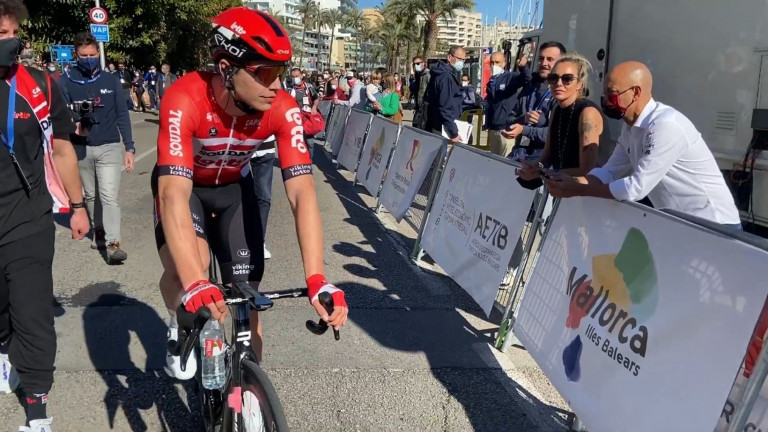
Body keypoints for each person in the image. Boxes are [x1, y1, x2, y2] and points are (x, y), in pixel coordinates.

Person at [154, 7, 349, 379]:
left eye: (281, 73)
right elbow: (173, 195)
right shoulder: (185, 97)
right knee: (186, 269)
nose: (277, 86)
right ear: (227, 68)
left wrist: (316, 277)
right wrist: (195, 281)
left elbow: (302, 194)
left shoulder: (283, 108)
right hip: (187, 188)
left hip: (233, 191)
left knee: (248, 301)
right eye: (265, 73)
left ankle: (247, 391)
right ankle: (177, 322)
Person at [0, 2, 90, 430]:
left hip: (28, 217)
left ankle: (37, 407)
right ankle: (4, 352)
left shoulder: (41, 85)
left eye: (11, 35)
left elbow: (62, 149)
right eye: (0, 35)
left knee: (32, 309)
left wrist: (77, 206)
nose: (9, 43)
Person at [544, 61, 742, 229]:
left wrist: (578, 189)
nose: (605, 102)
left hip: (714, 224)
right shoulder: (630, 127)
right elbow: (610, 172)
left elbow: (636, 188)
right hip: (680, 223)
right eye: (604, 95)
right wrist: (568, 180)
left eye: (611, 94)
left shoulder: (665, 125)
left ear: (635, 93)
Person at [58, 32, 135, 263]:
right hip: (81, 147)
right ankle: (98, 231)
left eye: (93, 54)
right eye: (84, 55)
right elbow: (60, 116)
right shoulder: (66, 81)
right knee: (90, 194)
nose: (89, 59)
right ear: (76, 55)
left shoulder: (110, 80)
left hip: (110, 145)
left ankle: (113, 243)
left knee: (109, 195)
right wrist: (74, 125)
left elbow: (122, 114)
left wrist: (129, 147)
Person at [517, 54, 602, 181]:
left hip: (587, 190)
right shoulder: (557, 109)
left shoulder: (587, 113)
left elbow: (586, 170)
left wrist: (545, 172)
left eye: (567, 79)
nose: (558, 83)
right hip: (562, 186)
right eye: (553, 78)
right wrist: (535, 167)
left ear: (579, 83)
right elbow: (547, 155)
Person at [505, 41, 566, 161]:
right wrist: (522, 119)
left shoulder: (562, 94)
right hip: (518, 155)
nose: (544, 63)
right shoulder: (528, 88)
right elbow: (508, 120)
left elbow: (558, 134)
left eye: (550, 59)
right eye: (541, 59)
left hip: (544, 161)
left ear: (561, 63)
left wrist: (525, 129)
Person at [483, 51, 531, 156]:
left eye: (497, 62)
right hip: (493, 128)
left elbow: (526, 78)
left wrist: (523, 67)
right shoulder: (491, 81)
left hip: (506, 128)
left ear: (504, 64)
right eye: (491, 62)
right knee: (493, 161)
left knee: (506, 160)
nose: (494, 65)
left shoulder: (510, 77)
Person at [426, 46, 466, 143]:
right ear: (449, 57)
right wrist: (453, 133)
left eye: (464, 60)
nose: (462, 62)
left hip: (439, 125)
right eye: (460, 59)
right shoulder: (446, 77)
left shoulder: (442, 74)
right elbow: (445, 107)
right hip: (443, 129)